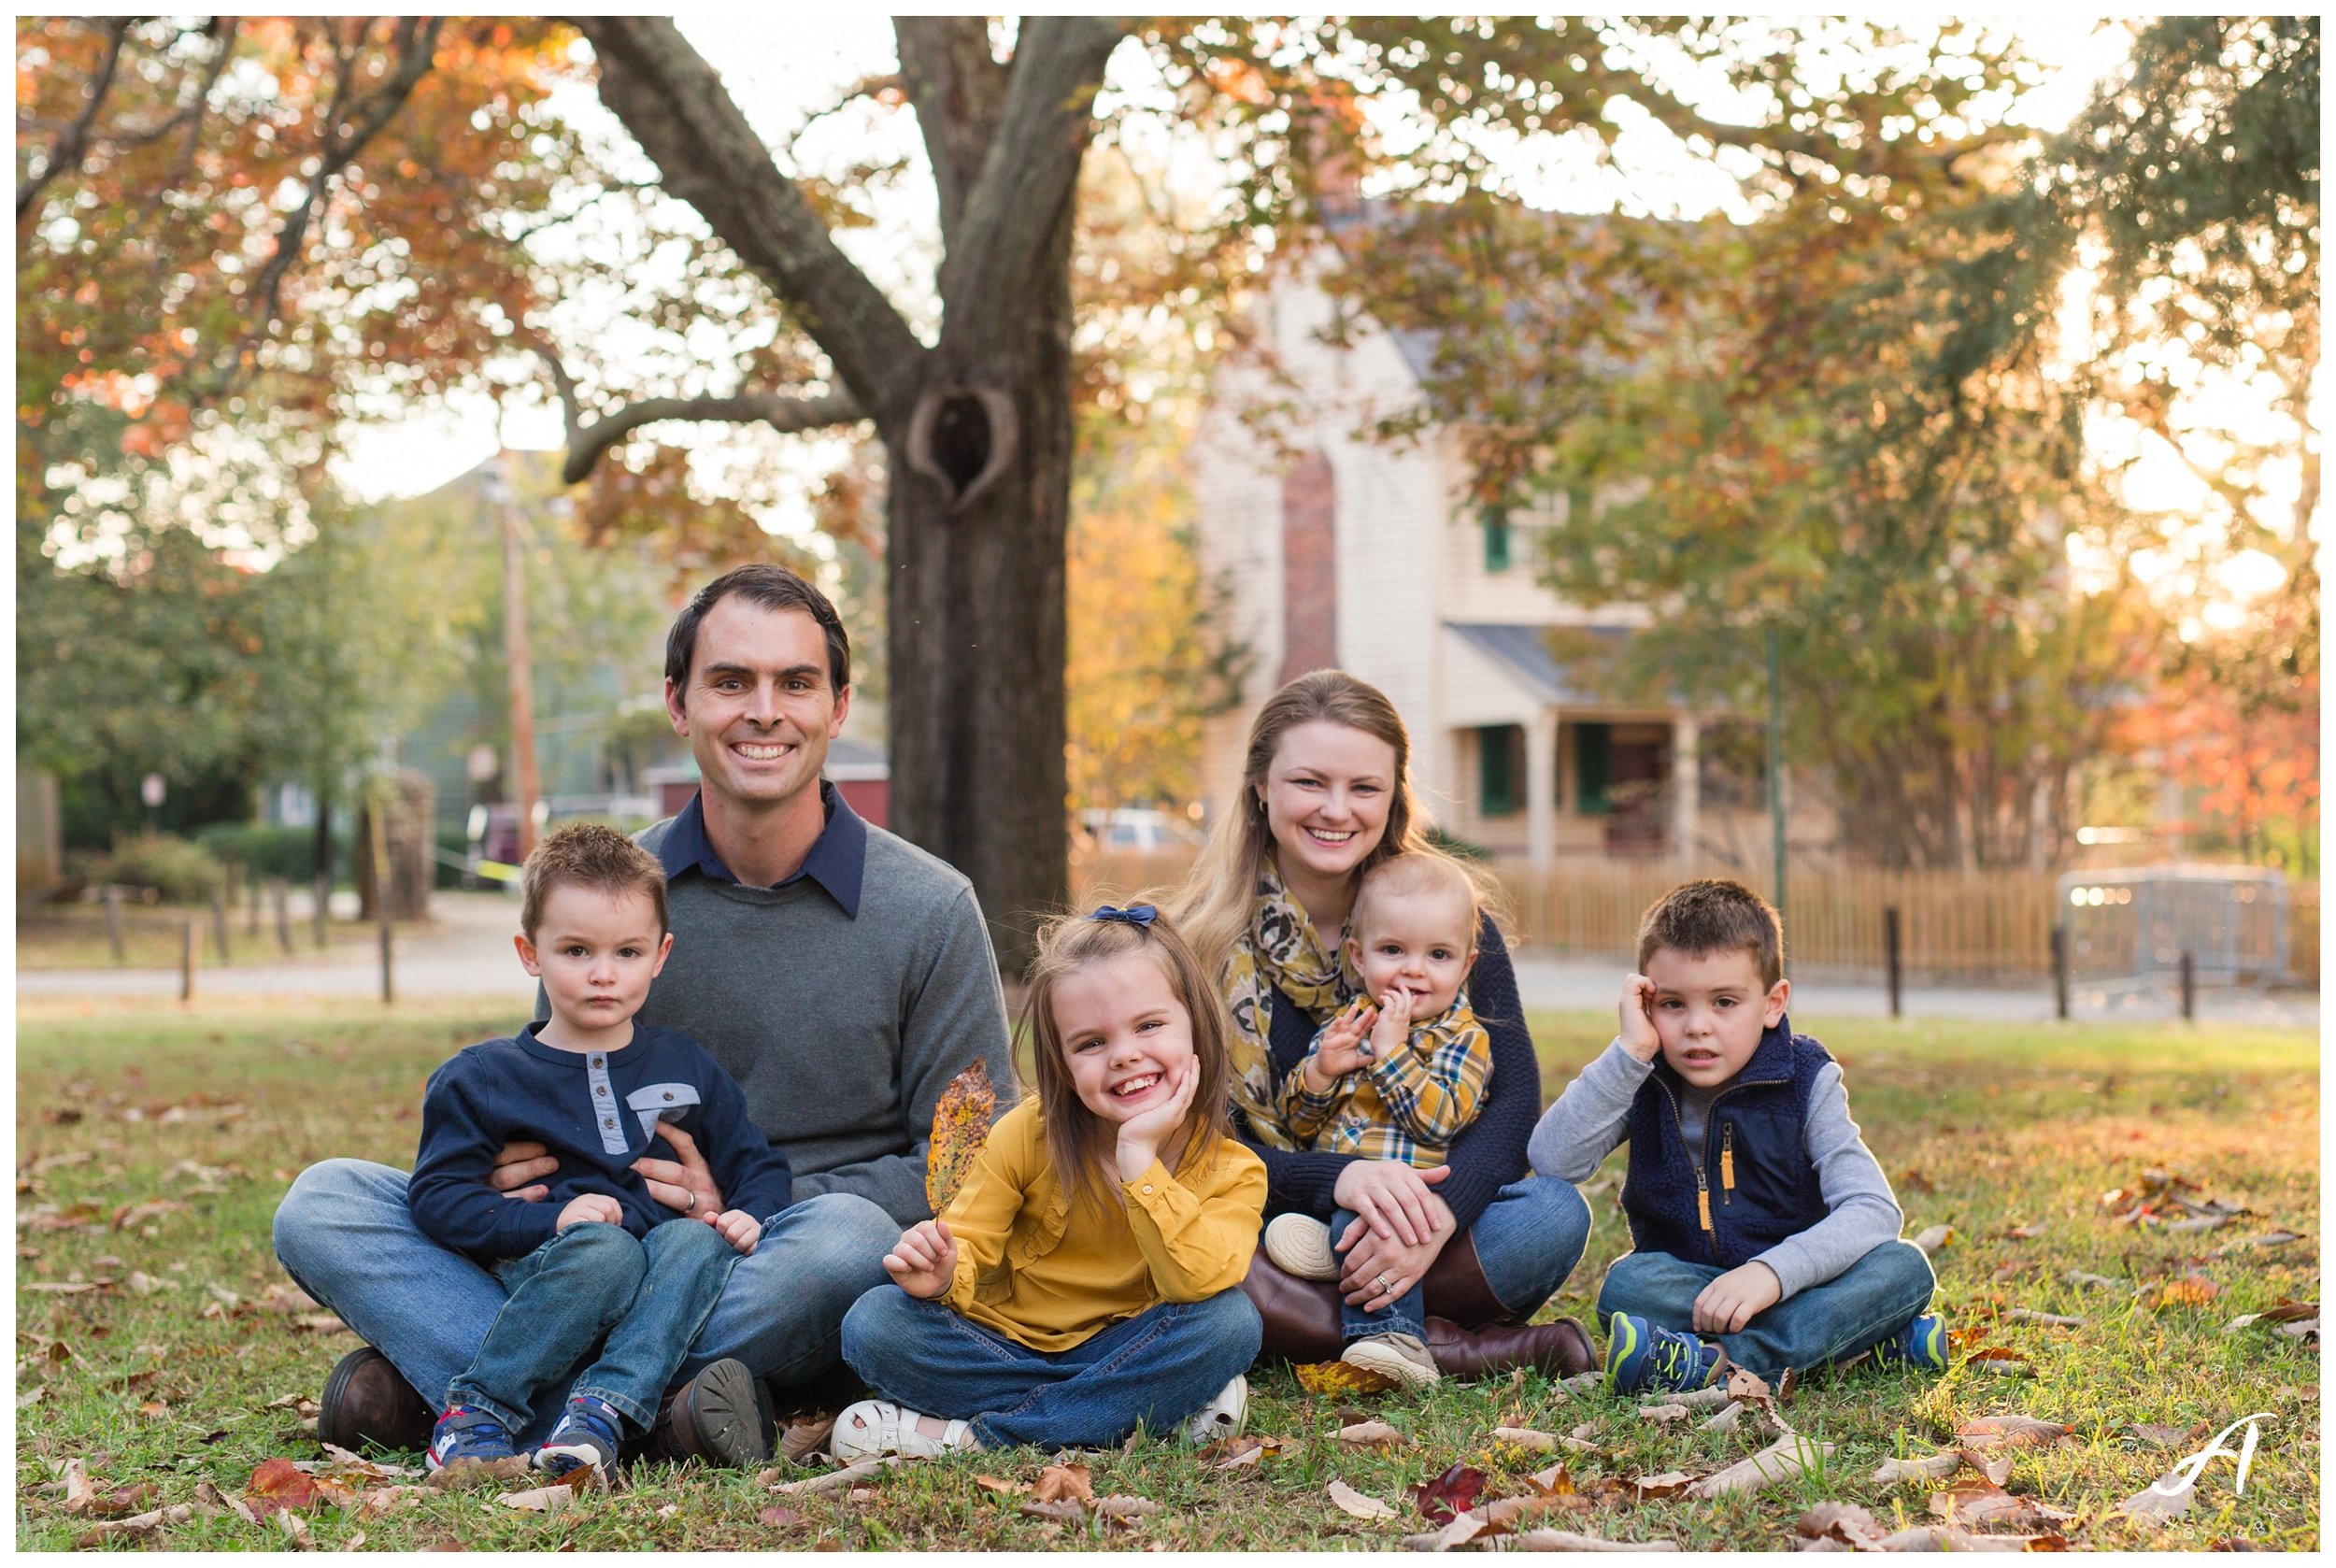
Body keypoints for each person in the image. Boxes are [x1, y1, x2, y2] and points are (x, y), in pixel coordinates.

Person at [272, 564, 1014, 1461]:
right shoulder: (612, 893)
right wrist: (501, 1174)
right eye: (731, 681)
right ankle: (646, 1417)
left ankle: (489, 1393)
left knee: (848, 1243)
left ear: (839, 706)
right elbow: (545, 1083)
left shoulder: (930, 909)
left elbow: (966, 1169)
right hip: (590, 1239)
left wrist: (734, 1203)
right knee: (326, 1203)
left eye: (796, 683)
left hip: (769, 1258)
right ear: (678, 702)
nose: (764, 711)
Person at [1173, 669, 1596, 1378]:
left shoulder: (1446, 924)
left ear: (1394, 795)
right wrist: (1339, 1181)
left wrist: (1436, 1220)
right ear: (1261, 786)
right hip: (1269, 1226)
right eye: (1311, 782)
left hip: (1427, 1218)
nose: (1337, 810)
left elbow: (1514, 1103)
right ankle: (1455, 1345)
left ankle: (1336, 1325)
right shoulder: (1201, 949)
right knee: (1194, 1239)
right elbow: (1203, 1145)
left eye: (1364, 787)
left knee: (1553, 1214)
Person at [410, 824, 791, 1474]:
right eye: (577, 951)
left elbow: (756, 1162)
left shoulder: (685, 1065)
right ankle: (476, 1409)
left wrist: (748, 1211)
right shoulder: (483, 1077)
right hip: (547, 1267)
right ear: (530, 953)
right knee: (605, 1252)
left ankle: (599, 1415)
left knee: (699, 1241)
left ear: (661, 954)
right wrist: (549, 1219)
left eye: (628, 952)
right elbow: (437, 1197)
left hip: (667, 1275)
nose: (604, 975)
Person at [831, 906, 1264, 1455]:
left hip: (1132, 1346)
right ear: (1060, 1063)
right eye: (1091, 1043)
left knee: (1229, 1323)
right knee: (874, 1323)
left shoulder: (1234, 1171)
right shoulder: (1024, 1136)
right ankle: (1143, 1411)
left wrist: (1139, 1160)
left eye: (1149, 1026)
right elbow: (969, 1242)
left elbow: (1192, 1284)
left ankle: (980, 1439)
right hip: (1000, 1346)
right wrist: (943, 1274)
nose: (1126, 1055)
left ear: (1195, 1024)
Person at [1527, 878, 1942, 1392]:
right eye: (1673, 1004)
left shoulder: (1807, 1078)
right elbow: (1553, 1160)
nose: (1697, 1026)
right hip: (1697, 1288)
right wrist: (1629, 1051)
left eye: (1724, 1002)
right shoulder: (1643, 1075)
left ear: (1772, 1003)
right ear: (1645, 1001)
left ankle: (1720, 1361)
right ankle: (1859, 1340)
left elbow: (1873, 1210)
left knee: (1902, 1267)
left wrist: (1771, 1274)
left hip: (1803, 1278)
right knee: (1628, 1288)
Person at [1262, 851, 1497, 1389]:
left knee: (1380, 1221)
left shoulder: (1466, 1039)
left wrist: (1392, 1054)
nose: (1414, 970)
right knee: (1357, 1216)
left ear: (1465, 967)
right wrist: (1320, 1073)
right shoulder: (1347, 1026)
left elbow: (1440, 1123)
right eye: (1393, 950)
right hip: (1344, 1194)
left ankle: (1392, 1339)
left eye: (1438, 955)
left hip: (1416, 1209)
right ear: (1359, 957)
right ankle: (1332, 1251)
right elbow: (1296, 1126)